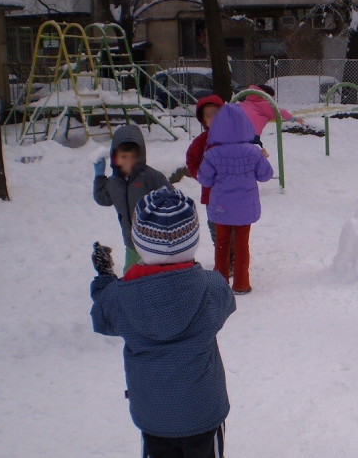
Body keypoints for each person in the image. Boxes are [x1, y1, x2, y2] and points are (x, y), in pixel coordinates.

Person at [90, 187, 235, 458]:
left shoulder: (120, 297)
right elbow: (227, 302)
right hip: (202, 411)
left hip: (153, 414)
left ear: (138, 241)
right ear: (193, 240)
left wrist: (105, 278)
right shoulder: (212, 288)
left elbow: (102, 315)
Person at [196, 103, 274, 294]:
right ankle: (241, 283)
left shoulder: (213, 154)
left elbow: (204, 178)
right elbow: (265, 175)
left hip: (221, 207)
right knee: (241, 244)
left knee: (222, 243)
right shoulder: (253, 152)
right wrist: (263, 158)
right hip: (245, 208)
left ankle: (221, 282)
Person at [93, 125, 171, 273]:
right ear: (116, 157)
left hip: (153, 243)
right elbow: (102, 198)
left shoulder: (150, 176)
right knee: (130, 276)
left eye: (133, 157)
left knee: (153, 276)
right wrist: (99, 176)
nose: (128, 161)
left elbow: (173, 198)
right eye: (124, 157)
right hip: (130, 243)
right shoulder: (114, 182)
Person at [186, 95, 225, 246]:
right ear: (203, 120)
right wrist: (199, 175)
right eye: (208, 116)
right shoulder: (201, 141)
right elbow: (191, 159)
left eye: (216, 114)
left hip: (234, 192)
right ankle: (221, 251)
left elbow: (245, 153)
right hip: (212, 193)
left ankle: (233, 254)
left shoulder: (233, 137)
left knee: (234, 225)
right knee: (215, 225)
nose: (213, 118)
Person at [239, 84, 305, 152]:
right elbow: (279, 112)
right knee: (256, 153)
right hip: (251, 134)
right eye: (271, 97)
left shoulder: (243, 103)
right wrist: (294, 118)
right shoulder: (264, 104)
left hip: (235, 133)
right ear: (267, 95)